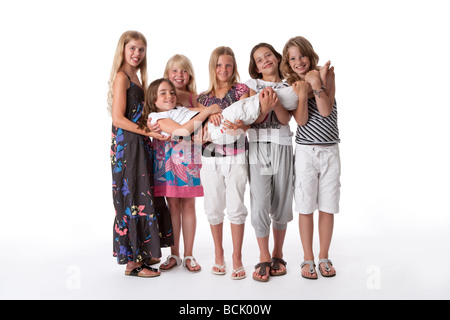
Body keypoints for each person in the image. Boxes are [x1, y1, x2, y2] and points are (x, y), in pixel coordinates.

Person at [107, 31, 173, 278]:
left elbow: (138, 115)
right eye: (132, 48)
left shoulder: (137, 77)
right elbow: (117, 118)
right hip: (127, 146)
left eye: (141, 50)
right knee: (132, 197)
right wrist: (148, 131)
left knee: (143, 195)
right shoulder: (122, 77)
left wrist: (153, 128)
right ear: (123, 49)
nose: (136, 54)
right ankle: (132, 264)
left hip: (140, 143)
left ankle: (143, 254)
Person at [145, 78, 221, 272]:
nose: (169, 96)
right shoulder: (154, 116)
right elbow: (180, 131)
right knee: (173, 208)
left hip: (189, 164)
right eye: (163, 93)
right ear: (153, 99)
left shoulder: (182, 111)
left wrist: (209, 112)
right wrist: (206, 112)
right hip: (169, 167)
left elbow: (206, 111)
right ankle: (174, 254)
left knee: (188, 206)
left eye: (171, 92)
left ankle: (188, 254)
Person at [281, 36, 339, 279]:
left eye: (301, 56)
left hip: (330, 150)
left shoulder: (326, 74)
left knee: (327, 206)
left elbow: (325, 110)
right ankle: (308, 258)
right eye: (292, 58)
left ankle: (324, 256)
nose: (298, 61)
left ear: (309, 54)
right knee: (305, 206)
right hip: (305, 151)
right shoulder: (290, 84)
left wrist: (316, 81)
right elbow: (301, 120)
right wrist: (303, 93)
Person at [243, 43, 295, 282]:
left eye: (268, 55)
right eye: (259, 59)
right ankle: (263, 255)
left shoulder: (288, 85)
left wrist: (275, 105)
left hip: (282, 145)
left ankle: (277, 253)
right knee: (261, 199)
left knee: (282, 198)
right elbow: (252, 118)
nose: (265, 60)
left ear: (276, 58)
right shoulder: (252, 86)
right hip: (259, 146)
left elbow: (286, 120)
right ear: (255, 67)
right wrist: (265, 107)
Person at [197, 46, 250, 280]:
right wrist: (208, 114)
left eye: (228, 65)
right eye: (219, 65)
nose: (224, 69)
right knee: (214, 207)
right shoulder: (202, 98)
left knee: (236, 206)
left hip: (237, 155)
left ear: (234, 66)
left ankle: (236, 257)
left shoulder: (241, 90)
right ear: (213, 67)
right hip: (209, 158)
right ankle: (219, 254)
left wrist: (239, 126)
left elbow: (249, 120)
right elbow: (198, 127)